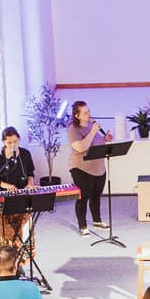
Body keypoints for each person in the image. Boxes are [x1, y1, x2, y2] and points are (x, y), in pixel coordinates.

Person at [64, 99, 110, 232]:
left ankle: (97, 221)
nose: (88, 114)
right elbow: (80, 147)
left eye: (88, 111)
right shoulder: (73, 129)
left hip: (98, 167)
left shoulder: (91, 125)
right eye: (85, 112)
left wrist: (105, 139)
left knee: (96, 195)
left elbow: (97, 143)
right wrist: (93, 131)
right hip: (81, 168)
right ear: (77, 115)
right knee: (83, 197)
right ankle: (82, 226)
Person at [0, 126, 38, 248]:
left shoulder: (25, 154)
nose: (13, 145)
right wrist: (8, 186)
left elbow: (30, 173)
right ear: (4, 142)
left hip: (23, 195)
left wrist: (29, 184)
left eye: (15, 141)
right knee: (9, 235)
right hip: (6, 198)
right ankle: (9, 257)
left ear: (19, 139)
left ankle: (24, 256)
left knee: (25, 231)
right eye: (9, 142)